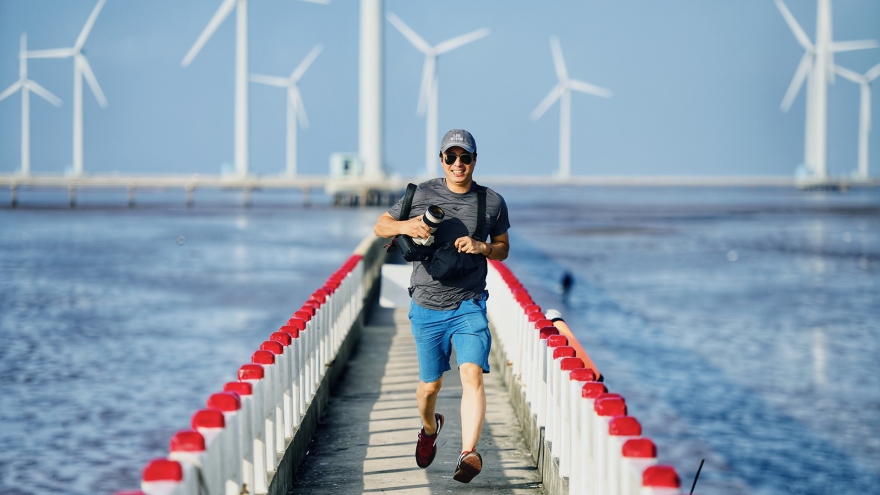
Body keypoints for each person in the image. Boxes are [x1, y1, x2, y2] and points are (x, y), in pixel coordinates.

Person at [373, 129, 510, 483]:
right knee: (429, 388)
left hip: (470, 303)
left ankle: (468, 453)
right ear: (442, 160)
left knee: (471, 374)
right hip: (426, 305)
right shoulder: (421, 193)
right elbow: (380, 226)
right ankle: (429, 428)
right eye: (451, 157)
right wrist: (410, 226)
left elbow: (503, 247)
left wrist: (483, 248)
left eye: (465, 157)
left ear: (475, 160)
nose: (458, 164)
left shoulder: (491, 202)